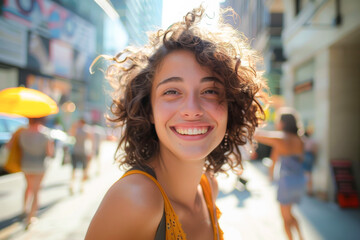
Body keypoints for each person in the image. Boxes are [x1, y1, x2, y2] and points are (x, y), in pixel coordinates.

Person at [85, 6, 267, 240]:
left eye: (210, 91)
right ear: (148, 110)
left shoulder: (208, 186)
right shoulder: (135, 199)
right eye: (172, 91)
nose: (192, 109)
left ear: (230, 108)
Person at [254, 107, 305, 240]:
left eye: (278, 120)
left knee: (285, 218)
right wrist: (270, 175)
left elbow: (258, 136)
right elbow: (276, 157)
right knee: (290, 213)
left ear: (284, 123)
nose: (277, 123)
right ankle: (300, 237)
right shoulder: (299, 139)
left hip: (287, 182)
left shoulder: (282, 138)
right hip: (299, 181)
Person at [6, 117, 54, 229]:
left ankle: (24, 209)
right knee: (36, 191)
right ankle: (30, 218)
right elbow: (50, 153)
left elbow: (10, 146)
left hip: (26, 164)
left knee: (28, 187)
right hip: (39, 166)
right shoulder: (46, 135)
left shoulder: (21, 132)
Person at [68, 118, 93, 194]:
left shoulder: (83, 130)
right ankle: (75, 186)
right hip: (79, 151)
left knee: (77, 170)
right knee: (78, 170)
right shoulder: (82, 130)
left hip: (79, 151)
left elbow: (70, 134)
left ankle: (79, 186)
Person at [302, 127, 317, 195]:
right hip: (310, 155)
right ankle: (309, 190)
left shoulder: (303, 140)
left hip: (305, 155)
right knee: (309, 173)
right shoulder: (312, 140)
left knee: (305, 173)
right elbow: (315, 150)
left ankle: (307, 190)